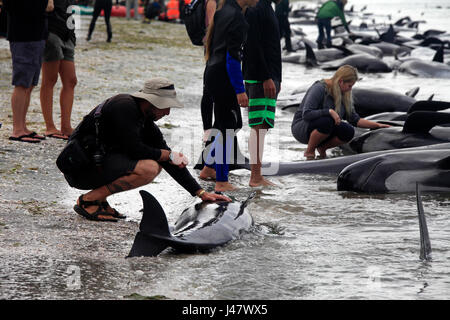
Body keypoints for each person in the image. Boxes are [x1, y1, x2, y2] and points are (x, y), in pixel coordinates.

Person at [59, 78, 230, 222]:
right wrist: (165, 155)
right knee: (149, 168)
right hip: (80, 169)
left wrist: (200, 193)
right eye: (166, 106)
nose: (168, 112)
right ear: (151, 101)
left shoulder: (144, 118)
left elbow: (167, 157)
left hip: (96, 164)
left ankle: (100, 201)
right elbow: (134, 149)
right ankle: (89, 201)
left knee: (158, 161)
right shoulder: (123, 107)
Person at [199, 0, 258, 192]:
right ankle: (222, 181)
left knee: (227, 124)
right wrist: (239, 89)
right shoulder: (237, 18)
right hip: (224, 76)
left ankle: (208, 168)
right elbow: (233, 58)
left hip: (212, 72)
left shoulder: (223, 10)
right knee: (227, 129)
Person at [291, 65, 390, 160]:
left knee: (348, 131)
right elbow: (307, 114)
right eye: (349, 86)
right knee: (327, 120)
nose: (350, 89)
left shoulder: (345, 94)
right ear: (341, 81)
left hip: (323, 127)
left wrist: (377, 125)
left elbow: (355, 120)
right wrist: (329, 111)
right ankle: (309, 151)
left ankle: (322, 148)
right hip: (302, 127)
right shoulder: (320, 88)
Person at [243, 0, 281, 187]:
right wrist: (266, 77)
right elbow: (252, 45)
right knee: (258, 127)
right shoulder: (257, 8)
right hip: (260, 78)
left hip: (266, 76)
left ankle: (256, 175)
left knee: (262, 127)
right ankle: (255, 177)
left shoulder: (266, 6)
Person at [5, 0, 54, 144]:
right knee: (21, 83)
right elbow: (10, 6)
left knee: (30, 84)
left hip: (37, 33)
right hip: (23, 35)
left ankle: (23, 126)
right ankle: (17, 129)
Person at [40, 0, 77, 140]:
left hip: (68, 32)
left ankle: (66, 126)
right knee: (50, 79)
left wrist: (72, 34)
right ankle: (50, 126)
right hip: (52, 30)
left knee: (71, 80)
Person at [199, 0, 218, 149]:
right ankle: (207, 131)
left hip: (216, 48)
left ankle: (211, 131)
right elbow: (212, 26)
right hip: (213, 48)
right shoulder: (212, 1)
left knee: (212, 90)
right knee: (208, 90)